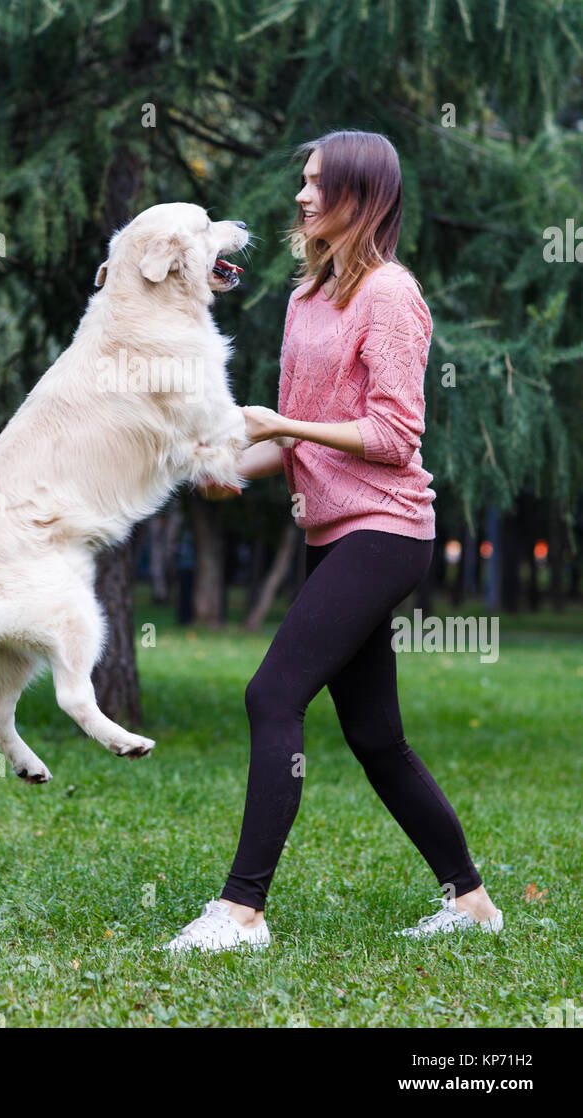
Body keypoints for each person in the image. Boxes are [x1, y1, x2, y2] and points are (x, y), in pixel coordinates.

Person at [163, 129, 503, 954]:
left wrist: (282, 426)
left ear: (361, 196)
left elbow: (394, 434)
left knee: (271, 694)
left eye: (317, 185)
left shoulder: (389, 297)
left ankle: (243, 912)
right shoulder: (307, 297)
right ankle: (474, 904)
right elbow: (290, 442)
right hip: (333, 532)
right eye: (303, 182)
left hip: (387, 530)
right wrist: (209, 463)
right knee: (375, 734)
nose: (302, 197)